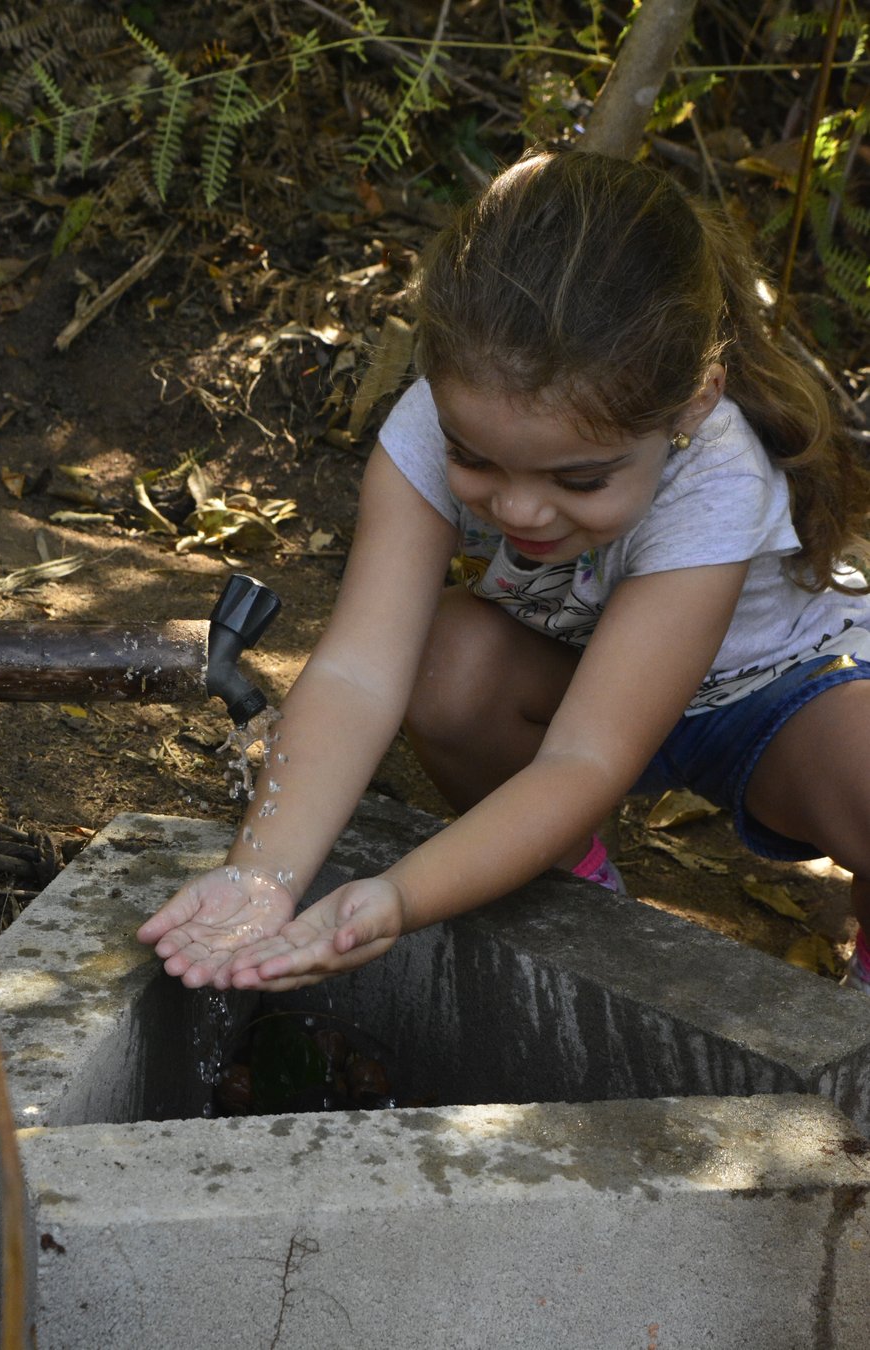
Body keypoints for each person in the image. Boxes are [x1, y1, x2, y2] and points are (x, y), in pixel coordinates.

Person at [137, 148, 870, 998]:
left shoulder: (717, 472)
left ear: (692, 406)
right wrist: (264, 875)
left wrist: (403, 895)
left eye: (580, 479)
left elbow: (589, 758)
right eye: (476, 460)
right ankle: (572, 873)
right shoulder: (432, 421)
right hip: (566, 679)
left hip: (767, 698)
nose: (520, 512)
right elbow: (356, 670)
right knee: (447, 663)